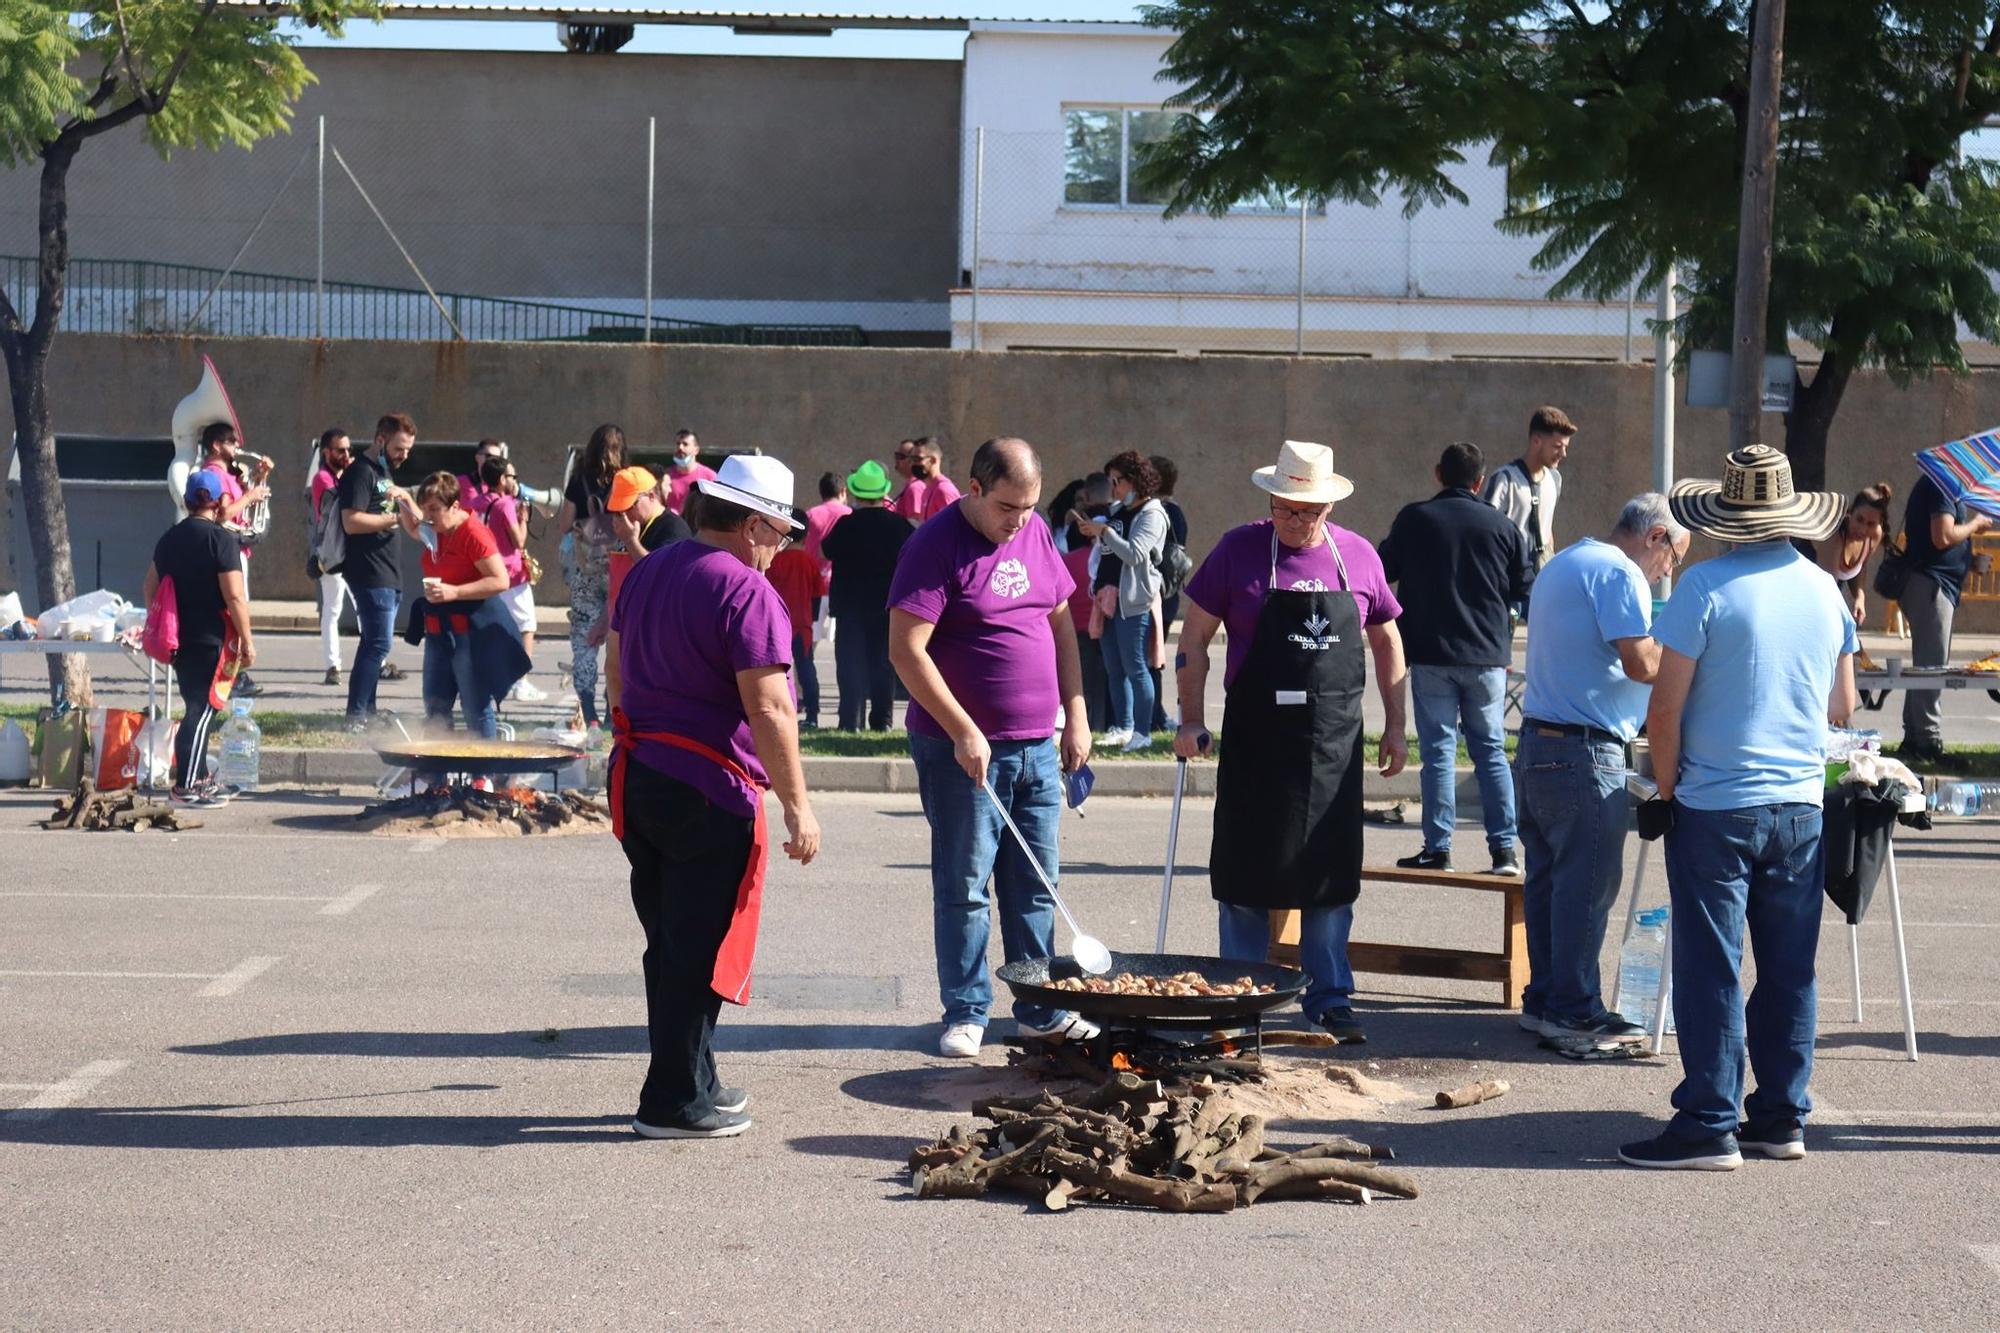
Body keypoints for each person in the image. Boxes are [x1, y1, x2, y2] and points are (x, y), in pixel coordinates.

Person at [1618, 444, 1857, 1171]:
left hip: (1719, 802)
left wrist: (1665, 788)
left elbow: (1665, 709)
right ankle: (1782, 1115)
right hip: (1800, 805)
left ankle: (1708, 1122)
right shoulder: (1826, 591)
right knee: (1790, 968)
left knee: (1711, 965)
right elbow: (1843, 706)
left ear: (1726, 516)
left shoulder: (1705, 587)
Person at [607, 453, 820, 1139]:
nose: (782, 547)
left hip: (641, 775)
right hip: (706, 787)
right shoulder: (748, 592)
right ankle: (669, 1098)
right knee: (696, 948)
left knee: (669, 940)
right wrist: (798, 804)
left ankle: (694, 1077)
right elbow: (771, 707)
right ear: (755, 524)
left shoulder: (649, 569)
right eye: (783, 533)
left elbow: (615, 666)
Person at [1175, 440, 1408, 1045]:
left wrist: (1397, 724)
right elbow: (1194, 639)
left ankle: (1330, 999)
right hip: (1257, 741)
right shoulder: (1237, 550)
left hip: (1333, 745)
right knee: (1245, 873)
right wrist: (1190, 718)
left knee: (1328, 879)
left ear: (1329, 506)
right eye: (1287, 509)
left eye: (1311, 511)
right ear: (1270, 500)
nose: (1299, 522)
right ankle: (1239, 999)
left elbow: (1387, 642)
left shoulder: (1356, 555)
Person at [888, 437, 1096, 1058]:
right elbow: (906, 650)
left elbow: (1060, 622)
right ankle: (967, 1009)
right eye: (1010, 507)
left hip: (1037, 743)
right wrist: (961, 729)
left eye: (1031, 508)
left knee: (1037, 882)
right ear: (974, 489)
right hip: (962, 751)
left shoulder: (1033, 534)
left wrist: (1076, 714)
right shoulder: (933, 545)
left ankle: (1039, 1006)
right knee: (966, 883)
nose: (1021, 521)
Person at [1515, 493, 1688, 1043]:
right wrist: (1688, 651)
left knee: (1549, 882)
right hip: (1583, 753)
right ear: (1656, 536)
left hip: (1539, 744)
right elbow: (1641, 664)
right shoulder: (1619, 572)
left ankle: (1545, 998)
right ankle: (1574, 1006)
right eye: (1674, 558)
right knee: (1586, 886)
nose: (1667, 573)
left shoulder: (1567, 561)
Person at [1379, 441, 1534, 875]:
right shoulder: (1503, 527)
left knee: (1439, 753)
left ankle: (1438, 848)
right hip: (1487, 657)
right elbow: (1525, 587)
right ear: (1480, 481)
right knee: (1490, 753)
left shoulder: (1415, 519)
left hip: (1431, 653)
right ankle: (1504, 851)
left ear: (1437, 473)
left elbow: (1380, 568)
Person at [144, 470, 256, 806]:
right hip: (212, 639)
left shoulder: (170, 538)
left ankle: (200, 779)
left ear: (189, 501)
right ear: (221, 500)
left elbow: (149, 587)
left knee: (196, 708)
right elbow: (235, 596)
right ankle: (185, 787)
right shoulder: (221, 540)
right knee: (202, 710)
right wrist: (248, 639)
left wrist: (165, 621)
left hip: (180, 640)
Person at [403, 472, 523, 738]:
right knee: (435, 706)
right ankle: (434, 777)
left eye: (434, 509)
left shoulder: (473, 533)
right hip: (438, 632)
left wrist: (454, 591)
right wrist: (403, 500)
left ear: (455, 506)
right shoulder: (437, 528)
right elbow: (413, 528)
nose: (428, 516)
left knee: (475, 706)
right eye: (425, 509)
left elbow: (500, 580)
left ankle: (484, 775)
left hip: (470, 633)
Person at [1895, 472, 1992, 763]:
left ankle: (1915, 736)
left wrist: (1967, 561)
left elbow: (1939, 541)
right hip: (1931, 586)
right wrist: (1975, 524)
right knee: (1933, 666)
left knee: (1926, 663)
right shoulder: (1943, 486)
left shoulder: (1941, 486)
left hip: (1932, 584)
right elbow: (1943, 536)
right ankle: (1927, 741)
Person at [1074, 450, 1167, 752]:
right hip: (1107, 597)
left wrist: (1106, 533)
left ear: (1135, 481)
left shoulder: (1152, 514)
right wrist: (1096, 532)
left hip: (1134, 600)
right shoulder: (1118, 510)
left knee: (1136, 667)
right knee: (1114, 667)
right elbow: (1110, 548)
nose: (1114, 489)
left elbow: (1135, 553)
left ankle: (1143, 731)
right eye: (1112, 482)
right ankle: (1123, 726)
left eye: (1118, 482)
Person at [338, 413, 419, 732]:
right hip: (369, 571)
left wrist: (406, 502)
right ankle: (356, 715)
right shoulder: (360, 472)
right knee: (378, 644)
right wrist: (392, 521)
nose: (404, 455)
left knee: (373, 643)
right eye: (400, 447)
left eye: (408, 449)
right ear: (380, 440)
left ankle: (366, 710)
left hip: (388, 570)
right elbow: (351, 521)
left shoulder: (383, 472)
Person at [820, 461, 910, 731]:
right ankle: (882, 722)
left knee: (850, 665)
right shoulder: (899, 525)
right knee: (883, 664)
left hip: (849, 608)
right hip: (886, 607)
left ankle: (850, 722)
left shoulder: (846, 524)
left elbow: (826, 551)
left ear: (856, 493)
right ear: (884, 493)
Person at [556, 423, 626, 728]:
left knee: (584, 636)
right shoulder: (624, 480)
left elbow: (564, 524)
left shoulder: (578, 479)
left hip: (586, 568)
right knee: (619, 633)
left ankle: (589, 711)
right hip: (619, 566)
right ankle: (615, 708)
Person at [196, 420, 271, 698]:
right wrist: (251, 495)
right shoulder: (214, 473)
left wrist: (259, 480)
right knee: (234, 609)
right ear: (217, 445)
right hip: (228, 549)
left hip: (235, 548)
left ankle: (233, 670)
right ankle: (233, 671)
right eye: (232, 442)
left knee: (234, 608)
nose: (237, 448)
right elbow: (224, 515)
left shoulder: (226, 473)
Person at [466, 454, 547, 700]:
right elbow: (518, 540)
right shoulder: (505, 505)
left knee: (494, 627)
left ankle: (492, 680)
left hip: (486, 573)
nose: (515, 481)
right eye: (512, 476)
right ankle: (521, 682)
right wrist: (523, 519)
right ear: (502, 479)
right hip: (511, 575)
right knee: (526, 626)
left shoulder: (476, 502)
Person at [1482, 406, 1576, 584]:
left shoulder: (1554, 479)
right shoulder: (1505, 479)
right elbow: (1485, 532)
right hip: (1508, 579)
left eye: (1565, 447)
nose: (1563, 454)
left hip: (1541, 579)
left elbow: (1547, 528)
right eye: (1557, 446)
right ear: (1536, 441)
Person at [1055, 473, 1114, 732]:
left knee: (1080, 686)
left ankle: (1086, 726)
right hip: (1104, 627)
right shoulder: (1108, 563)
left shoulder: (1067, 563)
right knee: (1105, 682)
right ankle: (1102, 726)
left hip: (1076, 629)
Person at [309, 428, 354, 688]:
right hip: (332, 552)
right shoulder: (322, 478)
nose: (346, 455)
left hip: (354, 550)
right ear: (327, 452)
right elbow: (340, 499)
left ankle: (378, 663)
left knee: (363, 608)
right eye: (340, 450)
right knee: (332, 610)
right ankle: (332, 665)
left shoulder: (343, 476)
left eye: (348, 449)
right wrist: (355, 472)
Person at [1149, 453, 1189, 733]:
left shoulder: (1163, 513)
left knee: (1151, 656)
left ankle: (1155, 715)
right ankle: (1154, 713)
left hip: (1159, 593)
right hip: (1168, 593)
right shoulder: (1174, 511)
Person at [1815, 482, 1892, 627]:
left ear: (1879, 524)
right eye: (1859, 519)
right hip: (1809, 592)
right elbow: (1827, 592)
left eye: (1871, 524)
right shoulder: (1835, 537)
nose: (1862, 530)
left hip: (1830, 592)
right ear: (1850, 513)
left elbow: (1860, 567)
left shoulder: (1875, 536)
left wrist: (1859, 597)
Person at [768, 544, 823, 729]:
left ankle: (779, 712)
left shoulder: (776, 560)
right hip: (802, 625)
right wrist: (812, 618)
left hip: (779, 624)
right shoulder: (809, 561)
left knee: (776, 671)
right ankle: (812, 715)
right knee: (807, 668)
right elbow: (817, 593)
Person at [899, 437, 960, 524]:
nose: (912, 464)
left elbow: (955, 527)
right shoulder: (927, 489)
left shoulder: (944, 490)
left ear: (933, 460)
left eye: (917, 459)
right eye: (912, 459)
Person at [665, 429, 716, 516]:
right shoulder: (666, 476)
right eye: (678, 444)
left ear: (696, 450)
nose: (680, 447)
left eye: (685, 444)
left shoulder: (709, 477)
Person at [457, 438, 507, 509]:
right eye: (489, 456)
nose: (492, 461)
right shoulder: (460, 481)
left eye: (497, 458)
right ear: (477, 457)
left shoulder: (501, 485)